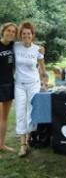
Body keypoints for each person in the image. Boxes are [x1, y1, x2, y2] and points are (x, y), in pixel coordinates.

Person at [14, 22, 47, 157]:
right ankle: (22, 145)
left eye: (29, 33)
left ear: (32, 35)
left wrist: (44, 82)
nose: (26, 35)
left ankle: (28, 139)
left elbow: (42, 68)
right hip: (19, 84)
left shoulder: (38, 49)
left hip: (34, 83)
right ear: (20, 35)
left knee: (31, 112)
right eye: (24, 33)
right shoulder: (15, 47)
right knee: (20, 112)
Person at [0, 22, 18, 153]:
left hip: (8, 84)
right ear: (3, 31)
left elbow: (28, 45)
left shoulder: (14, 46)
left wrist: (40, 49)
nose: (10, 33)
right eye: (8, 30)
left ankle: (1, 144)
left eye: (13, 32)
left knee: (4, 117)